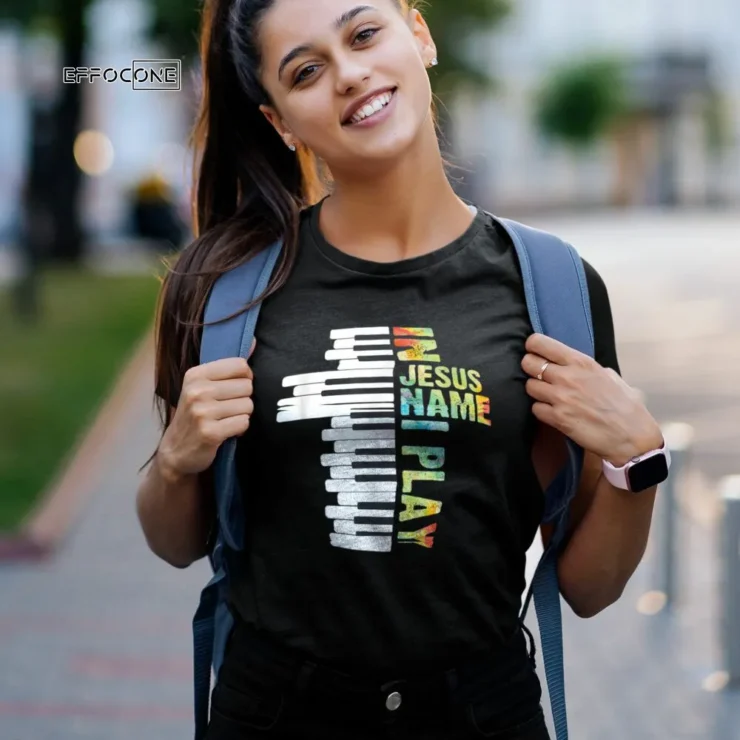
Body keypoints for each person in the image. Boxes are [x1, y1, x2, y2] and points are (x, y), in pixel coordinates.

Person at [135, 0, 668, 738]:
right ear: (280, 121)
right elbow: (175, 542)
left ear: (418, 33)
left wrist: (638, 461)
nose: (350, 74)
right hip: (277, 711)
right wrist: (175, 462)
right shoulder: (225, 288)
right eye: (307, 70)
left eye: (363, 34)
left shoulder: (553, 286)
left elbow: (588, 588)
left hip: (480, 709)